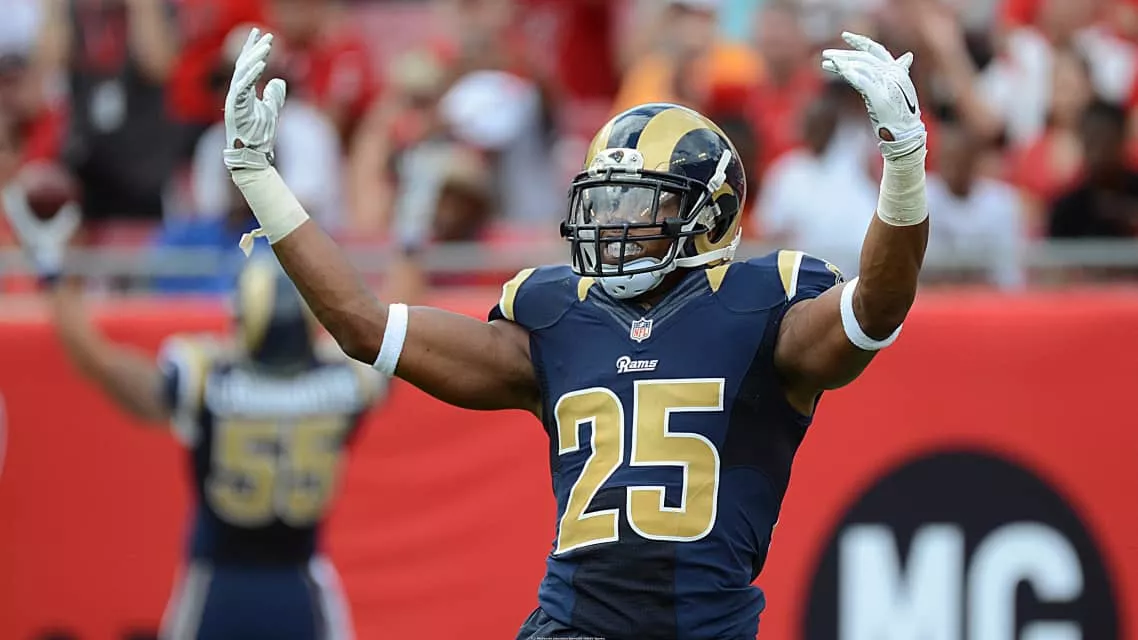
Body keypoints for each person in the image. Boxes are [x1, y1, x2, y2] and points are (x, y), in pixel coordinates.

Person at [224, 29, 930, 640]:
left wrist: (902, 163)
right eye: (605, 202)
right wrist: (258, 176)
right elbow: (363, 326)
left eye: (639, 205)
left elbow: (876, 308)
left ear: (710, 216)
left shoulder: (761, 307)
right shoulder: (556, 315)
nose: (612, 224)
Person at [11, 210, 383, 638]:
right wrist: (411, 242)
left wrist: (51, 269)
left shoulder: (206, 378)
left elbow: (99, 362)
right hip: (302, 583)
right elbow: (392, 337)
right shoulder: (344, 384)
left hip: (218, 585)